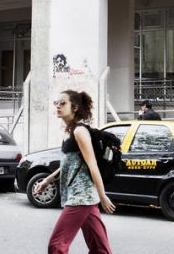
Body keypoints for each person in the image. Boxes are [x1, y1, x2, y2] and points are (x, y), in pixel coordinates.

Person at [34, 90, 115, 254]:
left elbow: (92, 165)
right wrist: (47, 181)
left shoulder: (80, 131)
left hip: (81, 196)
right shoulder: (69, 132)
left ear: (75, 107)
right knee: (100, 249)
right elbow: (67, 164)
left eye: (63, 103)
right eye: (57, 103)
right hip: (86, 198)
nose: (58, 106)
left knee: (56, 246)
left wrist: (102, 195)